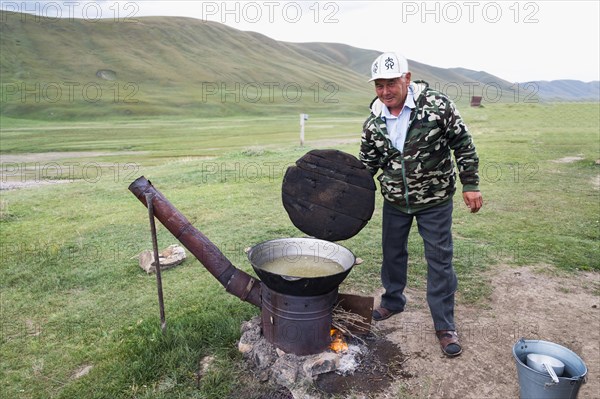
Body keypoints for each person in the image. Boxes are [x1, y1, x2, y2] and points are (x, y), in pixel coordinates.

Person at [359, 52, 483, 357]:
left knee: (440, 260)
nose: (385, 91)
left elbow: (462, 143)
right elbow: (367, 164)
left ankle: (444, 325)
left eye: (391, 83)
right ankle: (392, 301)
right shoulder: (373, 120)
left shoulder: (437, 106)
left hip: (435, 199)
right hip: (395, 200)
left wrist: (470, 184)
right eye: (379, 85)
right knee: (392, 253)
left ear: (407, 78)